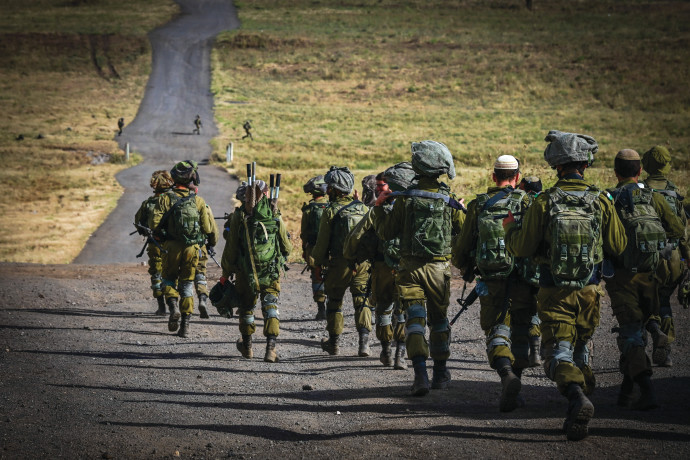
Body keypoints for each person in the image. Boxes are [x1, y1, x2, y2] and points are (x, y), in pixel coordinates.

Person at [502, 130, 626, 441]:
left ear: (556, 166)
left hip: (553, 290)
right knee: (582, 347)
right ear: (585, 164)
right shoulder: (600, 200)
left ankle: (575, 397)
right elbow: (619, 245)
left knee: (557, 353)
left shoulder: (544, 201)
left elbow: (522, 248)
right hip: (590, 290)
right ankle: (578, 411)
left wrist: (509, 230)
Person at [374, 141, 465, 396]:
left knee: (414, 320)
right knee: (439, 321)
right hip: (438, 270)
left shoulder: (406, 199)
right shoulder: (447, 199)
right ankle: (440, 373)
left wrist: (379, 207)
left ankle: (420, 375)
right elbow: (464, 230)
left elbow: (386, 232)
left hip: (409, 270)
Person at [452, 154, 540, 412]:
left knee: (496, 329)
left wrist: (468, 268)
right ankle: (518, 384)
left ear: (493, 177)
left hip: (492, 280)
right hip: (524, 280)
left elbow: (461, 248)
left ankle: (506, 376)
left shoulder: (478, 204)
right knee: (522, 330)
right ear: (517, 178)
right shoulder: (528, 201)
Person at [605, 149, 686, 409]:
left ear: (616, 172)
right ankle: (626, 391)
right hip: (651, 275)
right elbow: (676, 230)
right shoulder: (653, 197)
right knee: (639, 328)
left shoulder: (609, 199)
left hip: (621, 278)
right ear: (640, 172)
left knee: (630, 335)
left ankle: (647, 389)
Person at [344, 163, 418, 369]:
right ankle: (392, 353)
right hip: (400, 267)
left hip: (384, 268)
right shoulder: (411, 208)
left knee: (388, 310)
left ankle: (394, 353)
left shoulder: (377, 210)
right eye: (377, 186)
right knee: (394, 310)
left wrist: (351, 257)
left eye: (382, 186)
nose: (378, 189)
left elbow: (356, 236)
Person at [220, 179, 292, 362]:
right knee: (270, 307)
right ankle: (270, 349)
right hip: (270, 272)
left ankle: (248, 347)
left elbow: (231, 248)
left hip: (246, 273)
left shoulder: (240, 216)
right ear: (265, 194)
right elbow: (287, 247)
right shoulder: (274, 214)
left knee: (246, 309)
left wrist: (226, 273)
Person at [150, 160, 218, 338]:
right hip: (192, 249)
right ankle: (185, 326)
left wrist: (163, 236)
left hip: (171, 247)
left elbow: (154, 224)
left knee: (169, 279)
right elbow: (208, 228)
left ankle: (173, 308)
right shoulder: (198, 201)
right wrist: (208, 243)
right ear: (192, 180)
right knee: (187, 283)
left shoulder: (164, 199)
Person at [312, 166, 371, 356]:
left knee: (335, 302)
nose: (326, 189)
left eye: (329, 186)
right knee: (362, 300)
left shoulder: (330, 212)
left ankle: (334, 344)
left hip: (339, 264)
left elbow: (322, 244)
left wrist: (318, 263)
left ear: (336, 190)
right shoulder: (363, 208)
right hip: (363, 264)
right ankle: (364, 344)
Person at [641, 145, 690, 367]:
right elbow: (683, 233)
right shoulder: (674, 193)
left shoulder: (640, 191)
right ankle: (666, 348)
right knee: (664, 302)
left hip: (646, 258)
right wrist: (687, 259)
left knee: (641, 300)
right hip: (672, 259)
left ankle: (639, 345)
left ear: (645, 166)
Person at [134, 170, 174, 315]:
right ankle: (173, 305)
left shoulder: (148, 203)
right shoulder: (175, 201)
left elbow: (138, 223)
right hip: (173, 245)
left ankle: (161, 307)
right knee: (171, 274)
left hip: (154, 245)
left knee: (156, 274)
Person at [300, 175, 329, 320]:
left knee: (316, 277)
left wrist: (304, 251)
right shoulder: (331, 205)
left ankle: (321, 308)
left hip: (313, 249)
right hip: (330, 249)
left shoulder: (309, 209)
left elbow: (304, 233)